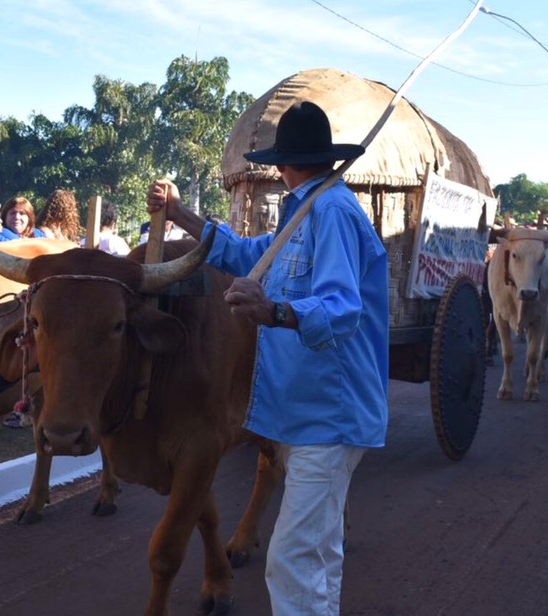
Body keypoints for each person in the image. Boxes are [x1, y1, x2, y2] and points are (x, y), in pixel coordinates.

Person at [146, 101, 388, 615]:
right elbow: (243, 254)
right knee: (317, 555)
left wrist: (273, 310)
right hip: (304, 414)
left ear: (283, 163)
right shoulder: (304, 210)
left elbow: (342, 308)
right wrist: (181, 213)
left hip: (328, 416)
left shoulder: (332, 211)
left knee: (291, 559)